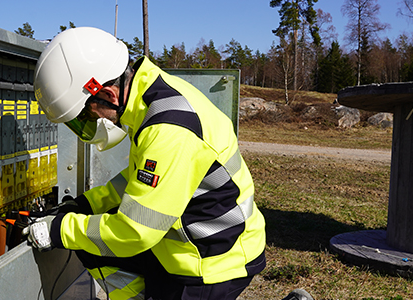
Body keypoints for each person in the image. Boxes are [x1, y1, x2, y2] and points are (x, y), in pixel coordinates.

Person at [24, 27, 266, 300]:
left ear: (107, 95)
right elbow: (139, 178)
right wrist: (87, 205)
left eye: (87, 115)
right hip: (187, 244)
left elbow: (135, 232)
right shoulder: (151, 96)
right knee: (91, 246)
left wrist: (59, 230)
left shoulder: (168, 130)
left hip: (212, 262)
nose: (90, 122)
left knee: (94, 239)